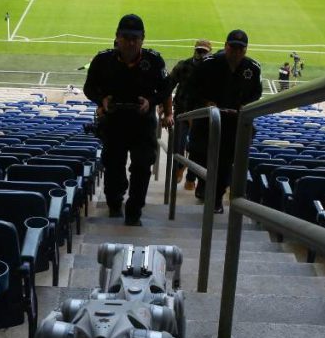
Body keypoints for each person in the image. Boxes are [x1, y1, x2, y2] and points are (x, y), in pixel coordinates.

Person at [83, 13, 170, 226]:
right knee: (113, 166)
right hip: (114, 122)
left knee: (142, 166)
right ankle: (114, 204)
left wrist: (151, 102)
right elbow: (89, 88)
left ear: (143, 39)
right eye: (126, 37)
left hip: (142, 124)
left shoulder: (154, 61)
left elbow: (165, 89)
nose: (131, 43)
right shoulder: (102, 60)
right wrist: (102, 100)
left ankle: (134, 212)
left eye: (135, 38)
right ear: (117, 37)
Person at [186, 29, 263, 213]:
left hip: (233, 124)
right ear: (226, 46)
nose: (236, 52)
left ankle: (217, 199)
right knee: (201, 155)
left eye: (240, 49)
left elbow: (256, 93)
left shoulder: (253, 68)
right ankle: (203, 184)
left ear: (245, 49)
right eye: (233, 47)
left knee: (225, 162)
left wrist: (246, 105)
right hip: (208, 121)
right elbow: (191, 88)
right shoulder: (208, 64)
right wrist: (206, 102)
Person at [166, 39, 212, 189]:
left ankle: (191, 178)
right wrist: (164, 106)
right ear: (194, 50)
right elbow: (169, 84)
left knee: (197, 147)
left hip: (201, 114)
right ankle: (179, 168)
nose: (201, 54)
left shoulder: (212, 70)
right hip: (182, 110)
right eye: (199, 50)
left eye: (204, 51)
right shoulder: (183, 65)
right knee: (178, 143)